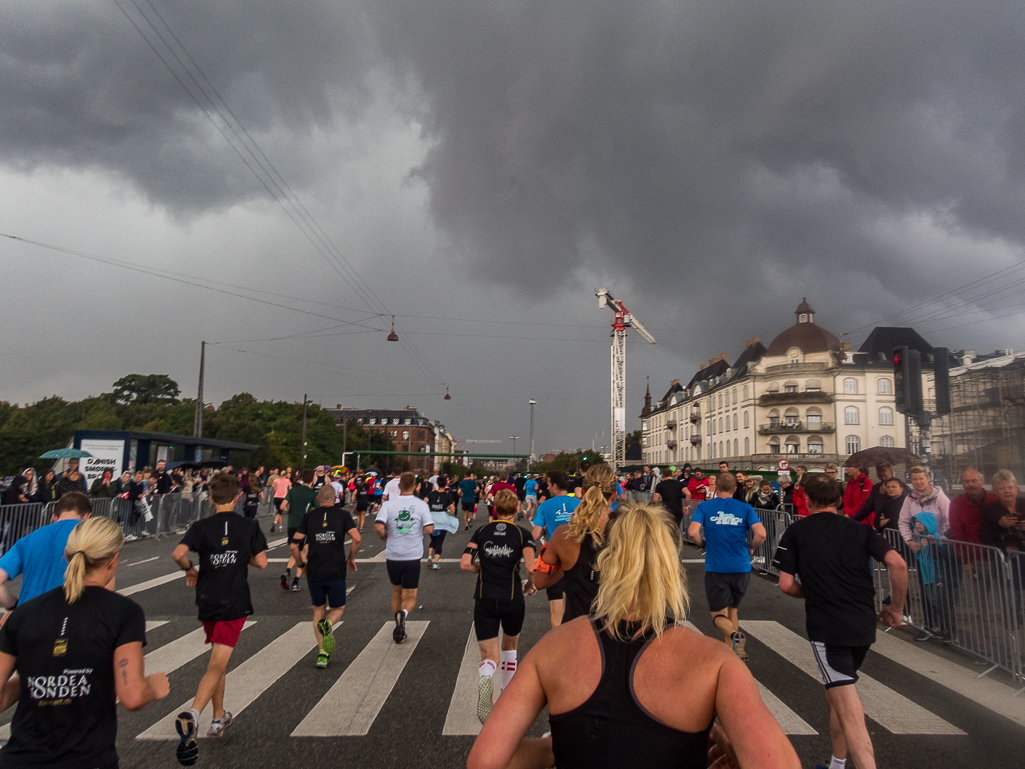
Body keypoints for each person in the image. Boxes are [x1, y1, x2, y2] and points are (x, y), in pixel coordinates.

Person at [467, 500, 800, 769]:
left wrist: (556, 747)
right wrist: (730, 748)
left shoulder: (552, 648)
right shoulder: (715, 663)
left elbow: (486, 761)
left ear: (605, 561)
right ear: (672, 566)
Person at [0, 517, 170, 768]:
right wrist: (154, 687)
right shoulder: (124, 612)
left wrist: (32, 682)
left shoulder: (23, 614)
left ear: (67, 557)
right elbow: (132, 696)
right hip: (88, 760)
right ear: (113, 560)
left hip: (19, 760)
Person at [773, 473, 908, 769]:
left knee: (848, 708)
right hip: (863, 624)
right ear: (838, 499)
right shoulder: (860, 530)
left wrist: (814, 592)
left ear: (807, 500)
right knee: (836, 693)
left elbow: (785, 585)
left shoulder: (796, 532)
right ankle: (837, 763)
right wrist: (896, 608)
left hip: (827, 627)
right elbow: (898, 563)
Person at [171, 472, 268, 765]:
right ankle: (194, 713)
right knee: (217, 664)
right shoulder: (249, 525)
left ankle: (218, 717)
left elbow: (177, 553)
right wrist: (242, 555)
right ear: (237, 497)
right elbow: (262, 562)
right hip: (233, 601)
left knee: (218, 660)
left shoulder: (201, 526)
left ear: (211, 499)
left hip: (207, 599)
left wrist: (189, 568)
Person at [461, 489, 536, 724]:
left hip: (484, 597)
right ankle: (506, 695)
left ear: (494, 509)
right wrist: (530, 585)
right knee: (510, 647)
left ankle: (486, 675)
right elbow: (532, 568)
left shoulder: (482, 531)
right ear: (516, 509)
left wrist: (480, 569)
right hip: (512, 596)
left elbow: (465, 563)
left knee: (489, 654)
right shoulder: (523, 534)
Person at [687, 472, 766, 662]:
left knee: (718, 615)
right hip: (741, 567)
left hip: (717, 568)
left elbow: (692, 532)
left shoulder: (706, 507)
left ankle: (733, 636)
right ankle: (732, 654)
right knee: (733, 610)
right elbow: (761, 534)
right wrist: (751, 547)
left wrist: (702, 543)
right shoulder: (745, 508)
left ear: (715, 487)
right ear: (735, 489)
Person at [532, 466, 616, 623]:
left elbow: (540, 581)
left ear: (583, 492)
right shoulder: (627, 532)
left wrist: (569, 566)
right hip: (616, 627)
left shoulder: (564, 534)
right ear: (614, 495)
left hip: (577, 628)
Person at [290, 486, 360, 669]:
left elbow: (293, 545)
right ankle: (329, 624)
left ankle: (322, 653)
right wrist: (351, 558)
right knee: (338, 608)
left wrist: (300, 565)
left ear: (318, 499)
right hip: (336, 568)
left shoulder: (309, 516)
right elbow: (357, 538)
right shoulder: (343, 515)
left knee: (317, 611)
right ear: (336, 498)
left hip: (314, 569)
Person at [0, 492, 95, 613]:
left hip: (27, 618)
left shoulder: (27, 540)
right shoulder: (91, 537)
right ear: (87, 516)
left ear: (54, 516)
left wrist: (13, 606)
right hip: (69, 618)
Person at [375, 472, 434, 643]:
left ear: (399, 486)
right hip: (412, 556)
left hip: (393, 555)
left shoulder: (389, 505)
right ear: (416, 486)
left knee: (396, 593)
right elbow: (429, 528)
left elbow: (378, 526)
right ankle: (404, 615)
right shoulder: (421, 505)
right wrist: (418, 531)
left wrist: (384, 535)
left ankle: (398, 625)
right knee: (410, 595)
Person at [530, 471, 580, 628]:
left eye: (549, 485)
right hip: (576, 559)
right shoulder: (579, 504)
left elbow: (535, 535)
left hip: (555, 561)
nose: (548, 488)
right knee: (575, 611)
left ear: (555, 486)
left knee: (556, 612)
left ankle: (559, 647)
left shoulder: (545, 505)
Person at [910, 512, 954, 642]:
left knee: (938, 602)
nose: (918, 525)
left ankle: (943, 627)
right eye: (916, 522)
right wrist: (917, 549)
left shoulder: (934, 537)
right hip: (926, 577)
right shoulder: (921, 538)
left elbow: (937, 556)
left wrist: (928, 546)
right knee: (931, 602)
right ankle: (936, 626)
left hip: (935, 575)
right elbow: (919, 558)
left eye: (921, 522)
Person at [281, 469, 318, 592]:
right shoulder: (311, 494)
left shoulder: (293, 491)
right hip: (304, 526)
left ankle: (287, 571)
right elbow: (317, 509)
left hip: (292, 524)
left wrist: (288, 511)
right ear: (313, 479)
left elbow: (282, 506)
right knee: (302, 553)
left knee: (294, 550)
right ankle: (296, 581)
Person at [979, 469, 1025, 555]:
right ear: (996, 492)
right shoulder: (989, 509)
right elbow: (983, 536)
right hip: (1003, 556)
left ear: (1016, 489)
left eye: (1010, 487)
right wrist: (999, 525)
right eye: (1002, 488)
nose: (1007, 491)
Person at [426, 475, 455, 570]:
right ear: (446, 484)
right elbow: (452, 509)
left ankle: (430, 555)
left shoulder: (431, 494)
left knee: (433, 539)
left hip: (432, 519)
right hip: (442, 520)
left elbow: (424, 502)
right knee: (439, 541)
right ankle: (436, 562)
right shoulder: (447, 496)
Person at [653, 467, 689, 533]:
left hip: (666, 511)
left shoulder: (660, 485)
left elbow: (655, 500)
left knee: (667, 530)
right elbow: (688, 494)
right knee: (676, 530)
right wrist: (686, 505)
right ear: (672, 474)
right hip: (678, 510)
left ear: (663, 475)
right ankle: (676, 542)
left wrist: (660, 501)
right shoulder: (679, 483)